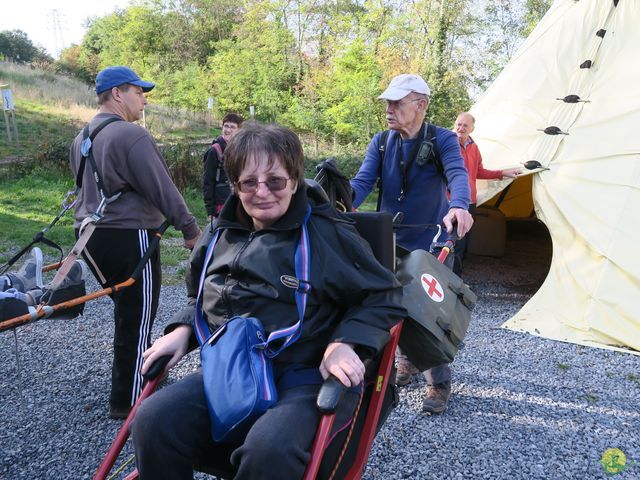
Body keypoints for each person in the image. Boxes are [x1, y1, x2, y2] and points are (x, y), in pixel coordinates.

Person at [131, 123, 405, 479]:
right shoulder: (219, 233)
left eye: (275, 181)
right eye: (249, 182)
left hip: (304, 374)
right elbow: (198, 292)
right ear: (235, 185)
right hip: (233, 371)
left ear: (293, 181)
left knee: (268, 451)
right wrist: (185, 327)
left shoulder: (327, 233)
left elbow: (384, 295)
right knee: (153, 420)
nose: (262, 192)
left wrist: (344, 343)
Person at [68, 65, 201, 419]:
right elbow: (162, 188)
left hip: (90, 237)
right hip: (129, 236)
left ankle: (133, 382)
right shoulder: (130, 135)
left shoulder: (82, 137)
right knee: (138, 318)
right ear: (117, 94)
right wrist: (190, 229)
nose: (144, 99)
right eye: (138, 91)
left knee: (127, 312)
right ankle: (129, 400)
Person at [350, 73, 473, 414]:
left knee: (426, 314)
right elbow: (362, 182)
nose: (389, 109)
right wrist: (339, 200)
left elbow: (457, 174)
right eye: (387, 102)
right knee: (389, 304)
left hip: (431, 241)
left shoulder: (444, 139)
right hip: (387, 239)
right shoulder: (382, 141)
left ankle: (439, 382)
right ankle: (407, 361)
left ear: (420, 105)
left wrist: (459, 205)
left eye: (396, 103)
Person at [452, 111, 521, 274]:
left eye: (465, 125)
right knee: (452, 242)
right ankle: (446, 280)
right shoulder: (448, 144)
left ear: (472, 128)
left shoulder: (474, 147)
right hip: (452, 201)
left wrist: (502, 173)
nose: (461, 128)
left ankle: (457, 278)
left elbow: (478, 172)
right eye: (458, 124)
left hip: (470, 202)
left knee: (464, 243)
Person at [203, 113, 244, 221]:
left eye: (232, 127)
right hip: (221, 206)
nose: (228, 130)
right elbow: (208, 182)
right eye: (226, 126)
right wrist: (210, 211)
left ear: (238, 130)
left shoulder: (241, 150)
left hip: (239, 203)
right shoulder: (214, 151)